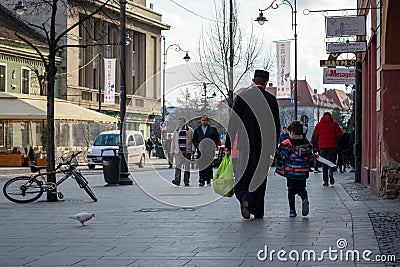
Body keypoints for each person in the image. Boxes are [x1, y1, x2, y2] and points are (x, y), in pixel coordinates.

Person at [226, 69, 280, 219]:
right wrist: (274, 146)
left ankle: (244, 198)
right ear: (265, 83)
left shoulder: (242, 97)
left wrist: (228, 144)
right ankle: (258, 210)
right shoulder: (270, 99)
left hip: (245, 144)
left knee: (244, 175)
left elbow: (233, 122)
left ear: (253, 80)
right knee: (260, 178)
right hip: (264, 146)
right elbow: (276, 125)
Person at [275, 121, 314, 217]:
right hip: (302, 172)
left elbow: (283, 156)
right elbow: (310, 158)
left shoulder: (286, 144)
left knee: (291, 191)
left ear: (292, 132)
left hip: (291, 172)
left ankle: (292, 210)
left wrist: (276, 155)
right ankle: (304, 199)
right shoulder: (307, 144)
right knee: (302, 188)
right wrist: (314, 156)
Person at [312, 112, 341, 186]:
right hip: (332, 147)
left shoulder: (319, 125)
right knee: (332, 161)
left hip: (322, 147)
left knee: (324, 163)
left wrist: (315, 147)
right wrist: (336, 144)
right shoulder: (335, 124)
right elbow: (339, 135)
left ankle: (325, 181)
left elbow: (315, 136)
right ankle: (331, 171)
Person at [192, 115, 220, 186]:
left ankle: (208, 179)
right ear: (200, 121)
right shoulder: (197, 129)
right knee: (201, 165)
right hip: (201, 150)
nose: (204, 122)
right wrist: (197, 146)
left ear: (207, 121)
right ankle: (201, 179)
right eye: (202, 120)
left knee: (209, 165)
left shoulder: (212, 129)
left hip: (209, 150)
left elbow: (216, 139)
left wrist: (213, 145)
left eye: (205, 120)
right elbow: (194, 139)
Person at [171, 118, 194, 186]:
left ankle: (186, 181)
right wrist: (172, 151)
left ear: (184, 122)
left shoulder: (190, 130)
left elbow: (193, 141)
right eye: (179, 122)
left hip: (187, 151)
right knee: (178, 166)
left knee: (187, 167)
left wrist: (192, 150)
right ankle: (177, 180)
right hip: (178, 152)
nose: (180, 123)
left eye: (181, 122)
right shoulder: (176, 130)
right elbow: (173, 142)